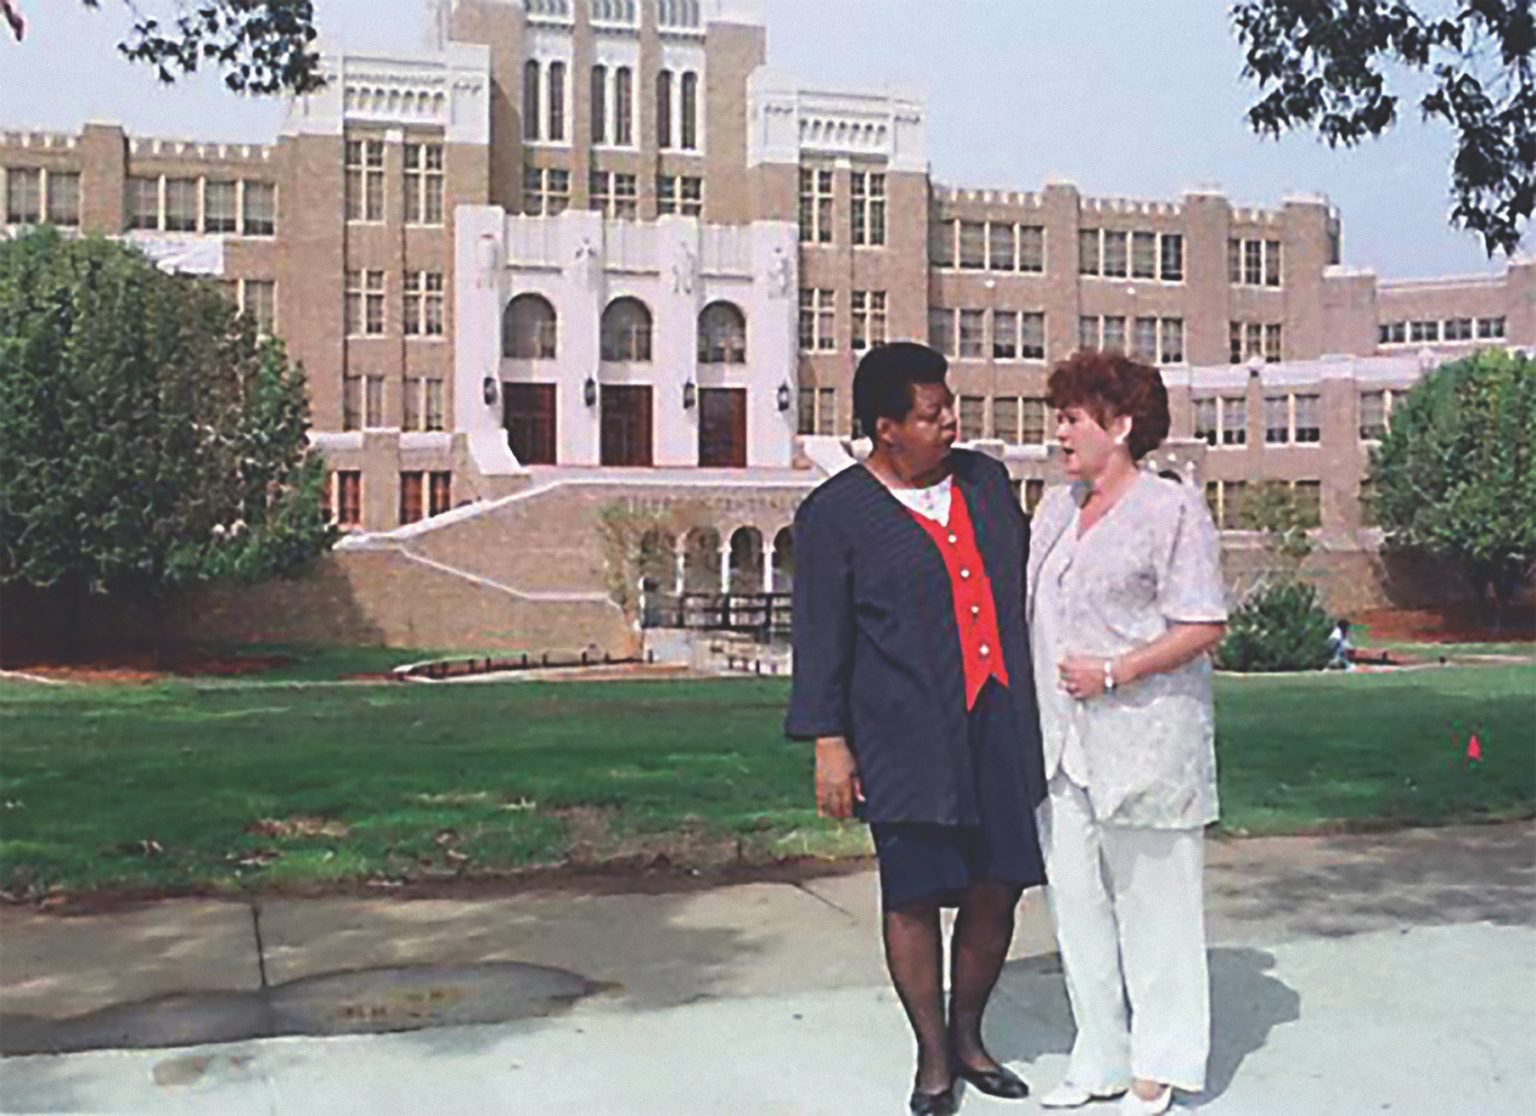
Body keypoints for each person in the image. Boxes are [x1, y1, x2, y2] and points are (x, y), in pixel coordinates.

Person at [785, 342, 1048, 1116]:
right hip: (902, 734)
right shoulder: (835, 514)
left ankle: (970, 1036)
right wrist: (829, 742)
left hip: (1000, 719)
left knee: (997, 886)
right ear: (886, 428)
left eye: (949, 407)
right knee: (913, 895)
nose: (951, 423)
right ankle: (934, 1060)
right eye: (932, 415)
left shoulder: (986, 483)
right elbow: (820, 636)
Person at [1026, 351, 1229, 1116]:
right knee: (1076, 908)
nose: (1059, 433)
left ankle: (1162, 1063)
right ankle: (1099, 1057)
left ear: (1121, 425)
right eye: (1060, 417)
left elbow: (1204, 622)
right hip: (1061, 748)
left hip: (1146, 740)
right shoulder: (1052, 510)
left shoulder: (1170, 509)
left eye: (1073, 418)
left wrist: (1117, 670)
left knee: (1157, 909)